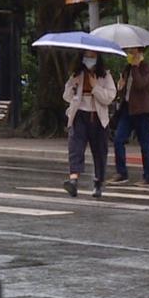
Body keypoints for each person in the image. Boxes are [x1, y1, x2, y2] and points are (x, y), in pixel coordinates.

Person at [63, 51, 116, 198]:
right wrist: (73, 86)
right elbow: (66, 96)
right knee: (75, 148)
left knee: (99, 151)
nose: (89, 59)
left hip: (97, 117)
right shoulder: (77, 74)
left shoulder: (105, 76)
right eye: (87, 56)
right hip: (79, 114)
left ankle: (98, 181)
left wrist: (95, 87)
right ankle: (73, 180)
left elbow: (109, 98)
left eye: (92, 56)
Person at [108, 47, 149, 187]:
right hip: (127, 109)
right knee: (118, 139)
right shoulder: (127, 68)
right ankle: (121, 172)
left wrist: (135, 67)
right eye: (129, 52)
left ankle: (148, 176)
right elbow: (123, 89)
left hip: (142, 111)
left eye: (133, 52)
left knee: (145, 144)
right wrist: (120, 86)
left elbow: (141, 85)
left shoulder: (147, 68)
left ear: (140, 53)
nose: (131, 55)